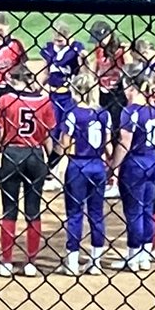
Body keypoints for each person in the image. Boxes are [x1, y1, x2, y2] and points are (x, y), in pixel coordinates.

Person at [0, 66, 55, 277]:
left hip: (12, 153)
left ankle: (7, 262)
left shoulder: (5, 100)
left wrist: (0, 150)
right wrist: (49, 162)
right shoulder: (44, 101)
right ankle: (30, 262)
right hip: (35, 154)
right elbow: (47, 135)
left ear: (11, 79)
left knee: (9, 209)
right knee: (33, 209)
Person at [111, 68, 155, 272]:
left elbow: (125, 142)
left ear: (132, 87)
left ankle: (133, 256)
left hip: (135, 163)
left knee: (133, 211)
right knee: (147, 209)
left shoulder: (130, 111)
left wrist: (114, 167)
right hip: (152, 160)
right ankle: (144, 255)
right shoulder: (154, 109)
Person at [59, 75, 113, 275]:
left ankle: (72, 261)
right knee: (97, 214)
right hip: (97, 165)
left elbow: (64, 144)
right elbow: (108, 145)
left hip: (78, 165)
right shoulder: (103, 114)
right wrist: (112, 166)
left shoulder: (72, 113)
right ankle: (96, 261)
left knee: (74, 213)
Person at [40, 20, 87, 189]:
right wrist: (37, 88)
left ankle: (54, 169)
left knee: (64, 132)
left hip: (68, 96)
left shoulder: (75, 49)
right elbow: (45, 72)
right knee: (51, 131)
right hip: (53, 95)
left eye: (61, 40)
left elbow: (83, 71)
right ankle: (51, 169)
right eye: (56, 39)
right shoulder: (49, 50)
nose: (58, 43)